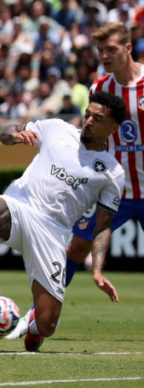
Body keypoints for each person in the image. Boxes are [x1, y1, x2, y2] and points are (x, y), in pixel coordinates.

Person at [0, 91, 127, 352]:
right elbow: (4, 132)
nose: (88, 121)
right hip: (20, 207)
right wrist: (15, 135)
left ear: (114, 127)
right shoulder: (56, 128)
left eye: (98, 119)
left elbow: (103, 225)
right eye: (87, 114)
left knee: (48, 322)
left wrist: (96, 269)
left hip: (53, 235)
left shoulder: (113, 172)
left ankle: (33, 330)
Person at [64, 23, 144, 300]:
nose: (105, 56)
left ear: (128, 48)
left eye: (111, 49)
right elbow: (93, 137)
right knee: (75, 248)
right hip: (114, 191)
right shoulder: (99, 87)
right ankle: (42, 312)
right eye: (101, 51)